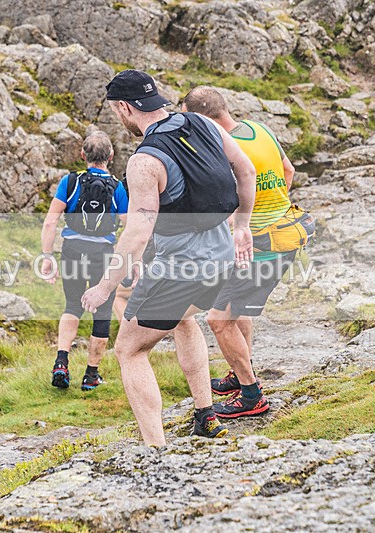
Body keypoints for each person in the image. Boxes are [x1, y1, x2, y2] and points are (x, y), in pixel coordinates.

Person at [81, 70, 256, 446]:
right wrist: (242, 225)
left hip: (181, 267)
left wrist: (104, 286)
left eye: (117, 112)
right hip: (223, 255)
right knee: (182, 321)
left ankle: (155, 450)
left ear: (125, 107)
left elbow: (137, 233)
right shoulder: (203, 123)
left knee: (129, 348)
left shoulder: (144, 161)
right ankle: (206, 416)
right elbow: (246, 169)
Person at [181, 86, 298, 418]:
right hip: (286, 232)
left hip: (260, 246)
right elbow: (288, 171)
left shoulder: (222, 149)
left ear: (203, 120)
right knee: (237, 309)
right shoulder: (260, 129)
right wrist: (270, 208)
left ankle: (251, 396)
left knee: (219, 320)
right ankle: (239, 372)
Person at [40, 131, 128, 391]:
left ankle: (61, 362)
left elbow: (50, 221)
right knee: (102, 311)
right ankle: (91, 375)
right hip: (103, 255)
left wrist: (47, 257)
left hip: (72, 250)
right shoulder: (117, 186)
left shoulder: (69, 182)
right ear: (110, 157)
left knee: (71, 306)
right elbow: (129, 225)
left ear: (83, 155)